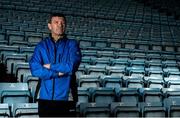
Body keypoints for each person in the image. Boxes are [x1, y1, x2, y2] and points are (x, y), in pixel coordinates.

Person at [29, 13, 81, 117]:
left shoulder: (72, 44)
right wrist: (57, 74)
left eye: (62, 23)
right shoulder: (41, 46)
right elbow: (35, 69)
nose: (60, 25)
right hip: (45, 98)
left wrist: (51, 66)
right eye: (56, 22)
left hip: (66, 98)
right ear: (50, 26)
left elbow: (71, 66)